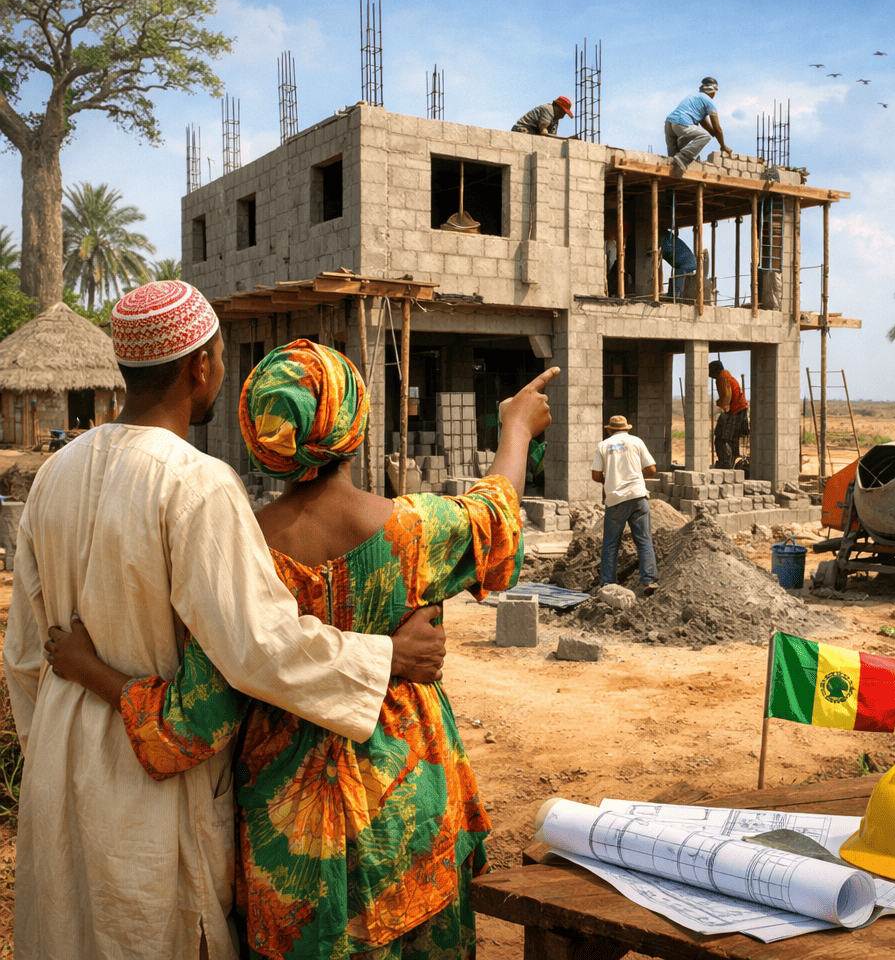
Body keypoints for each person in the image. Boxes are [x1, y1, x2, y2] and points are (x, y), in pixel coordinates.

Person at [46, 339, 561, 960]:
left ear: (262, 434)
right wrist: (514, 428)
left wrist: (87, 669)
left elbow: (188, 724)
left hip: (285, 839)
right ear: (355, 423)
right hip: (409, 812)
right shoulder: (416, 532)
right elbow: (496, 517)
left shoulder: (239, 555)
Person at [3, 282, 445, 960]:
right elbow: (258, 647)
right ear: (201, 366)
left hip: (62, 769)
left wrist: (57, 750)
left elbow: (27, 657)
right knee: (155, 932)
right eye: (218, 358)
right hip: (152, 783)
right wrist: (384, 657)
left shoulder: (56, 473)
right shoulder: (195, 482)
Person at [591, 415, 659, 594]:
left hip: (616, 500)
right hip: (638, 496)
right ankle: (649, 580)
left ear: (609, 430)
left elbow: (596, 475)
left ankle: (607, 583)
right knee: (644, 540)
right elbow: (652, 469)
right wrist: (634, 477)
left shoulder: (603, 446)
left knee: (611, 543)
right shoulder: (636, 442)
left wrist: (612, 480)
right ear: (627, 429)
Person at [664, 77, 732, 172]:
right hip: (682, 124)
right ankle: (682, 157)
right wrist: (723, 146)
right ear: (712, 90)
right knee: (705, 136)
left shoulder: (695, 96)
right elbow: (717, 128)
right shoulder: (709, 101)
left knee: (673, 163)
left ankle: (671, 181)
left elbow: (705, 123)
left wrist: (715, 135)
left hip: (669, 124)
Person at [709, 359, 749, 469]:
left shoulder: (722, 377)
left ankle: (726, 463)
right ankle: (729, 462)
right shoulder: (727, 376)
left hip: (735, 411)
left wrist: (721, 408)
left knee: (721, 438)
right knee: (731, 439)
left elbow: (727, 396)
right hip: (740, 410)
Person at [657, 229, 698, 300]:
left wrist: (657, 255)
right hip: (688, 263)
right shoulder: (670, 239)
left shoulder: (667, 241)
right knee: (677, 275)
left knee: (679, 274)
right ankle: (673, 295)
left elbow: (666, 251)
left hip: (686, 263)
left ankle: (675, 296)